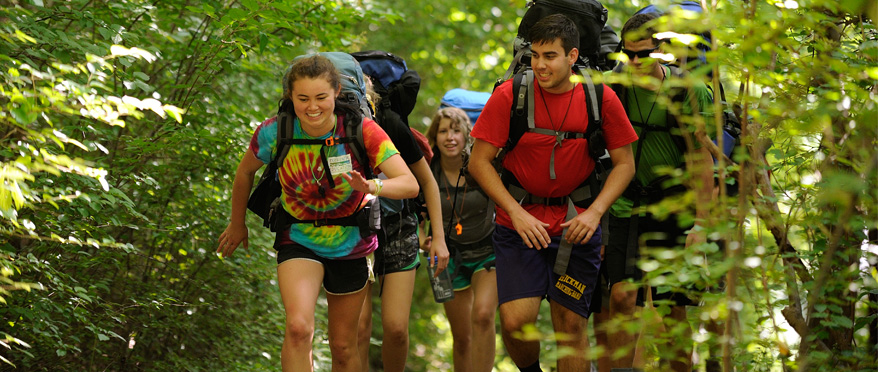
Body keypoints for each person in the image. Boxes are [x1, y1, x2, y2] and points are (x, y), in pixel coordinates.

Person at [216, 55, 418, 372]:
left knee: (342, 346)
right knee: (298, 329)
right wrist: (237, 222)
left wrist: (371, 186)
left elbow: (409, 184)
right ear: (290, 98)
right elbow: (244, 173)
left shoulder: (361, 130)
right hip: (298, 237)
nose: (313, 107)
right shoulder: (275, 131)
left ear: (336, 92)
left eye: (321, 97)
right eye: (303, 98)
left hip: (350, 242)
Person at [468, 14, 638, 372]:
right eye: (535, 55)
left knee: (571, 326)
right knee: (516, 324)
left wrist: (594, 214)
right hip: (519, 226)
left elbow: (625, 164)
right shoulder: (510, 95)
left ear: (572, 56)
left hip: (576, 227)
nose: (540, 65)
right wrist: (515, 212)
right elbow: (479, 161)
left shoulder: (600, 98)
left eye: (550, 56)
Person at [604, 12, 715, 372]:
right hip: (626, 204)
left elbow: (702, 161)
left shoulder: (691, 92)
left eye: (644, 54)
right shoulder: (613, 88)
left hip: (674, 208)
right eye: (628, 53)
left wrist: (700, 224)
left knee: (671, 308)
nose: (635, 62)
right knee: (622, 297)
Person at [356, 76, 450, 372]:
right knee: (359, 328)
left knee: (395, 328)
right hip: (354, 231)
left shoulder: (392, 124)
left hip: (398, 226)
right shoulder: (334, 128)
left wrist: (438, 237)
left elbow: (428, 183)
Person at [423, 107, 498, 372]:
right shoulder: (427, 170)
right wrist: (424, 238)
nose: (450, 137)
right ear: (435, 136)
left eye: (456, 130)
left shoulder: (480, 165)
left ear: (467, 135)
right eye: (443, 131)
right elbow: (413, 212)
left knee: (483, 316)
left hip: (488, 250)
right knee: (462, 337)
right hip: (447, 258)